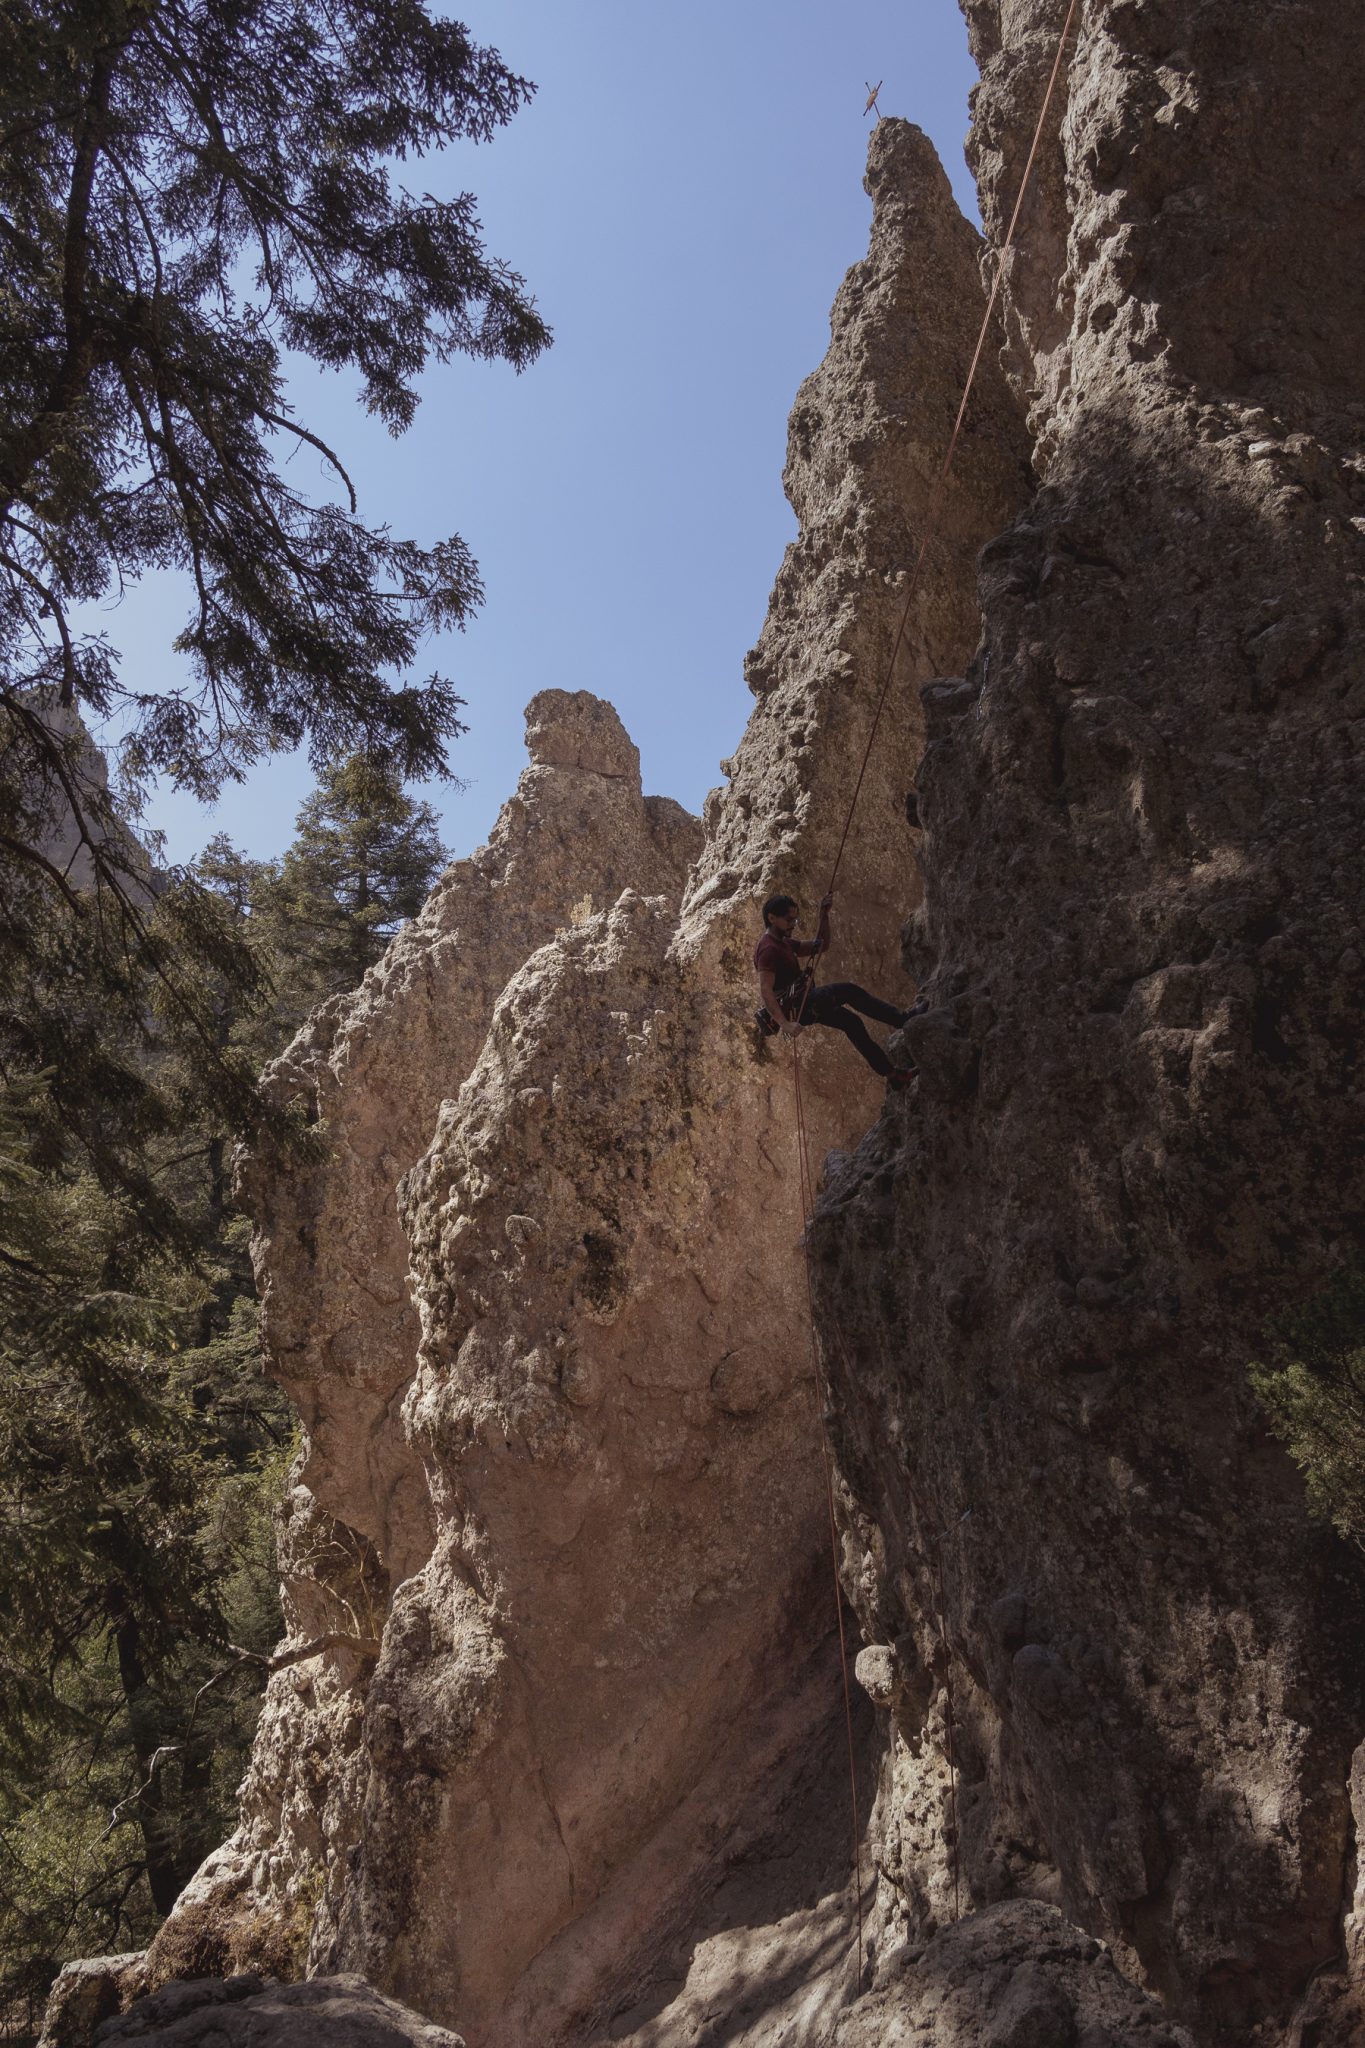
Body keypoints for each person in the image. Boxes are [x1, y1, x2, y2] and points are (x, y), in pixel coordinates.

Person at [754, 890, 916, 1087]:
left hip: (804, 1004)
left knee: (851, 1022)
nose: (793, 925)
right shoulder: (769, 949)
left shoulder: (784, 942)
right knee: (848, 991)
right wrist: (785, 1024)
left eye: (795, 920)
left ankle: (892, 1075)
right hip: (802, 1005)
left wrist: (824, 916)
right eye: (789, 920)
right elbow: (766, 991)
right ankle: (903, 1020)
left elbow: (821, 946)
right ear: (772, 918)